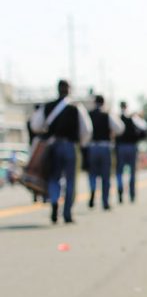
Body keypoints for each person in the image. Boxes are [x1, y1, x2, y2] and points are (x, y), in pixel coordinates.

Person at [30, 79, 92, 223]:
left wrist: (48, 131)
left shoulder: (48, 107)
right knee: (70, 180)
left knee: (54, 177)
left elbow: (35, 125)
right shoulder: (76, 107)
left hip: (53, 146)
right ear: (69, 90)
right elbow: (87, 130)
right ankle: (67, 212)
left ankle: (54, 203)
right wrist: (81, 144)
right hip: (70, 146)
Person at [87, 94, 125, 210]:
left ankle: (93, 190)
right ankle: (105, 201)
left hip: (92, 146)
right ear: (103, 103)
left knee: (92, 173)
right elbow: (120, 128)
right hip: (105, 147)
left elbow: (85, 130)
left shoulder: (89, 115)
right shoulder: (107, 115)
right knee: (106, 175)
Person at [116, 101, 147, 204]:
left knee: (119, 171)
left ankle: (120, 189)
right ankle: (132, 193)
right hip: (131, 146)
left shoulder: (117, 118)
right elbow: (144, 129)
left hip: (120, 147)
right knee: (132, 172)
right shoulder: (133, 118)